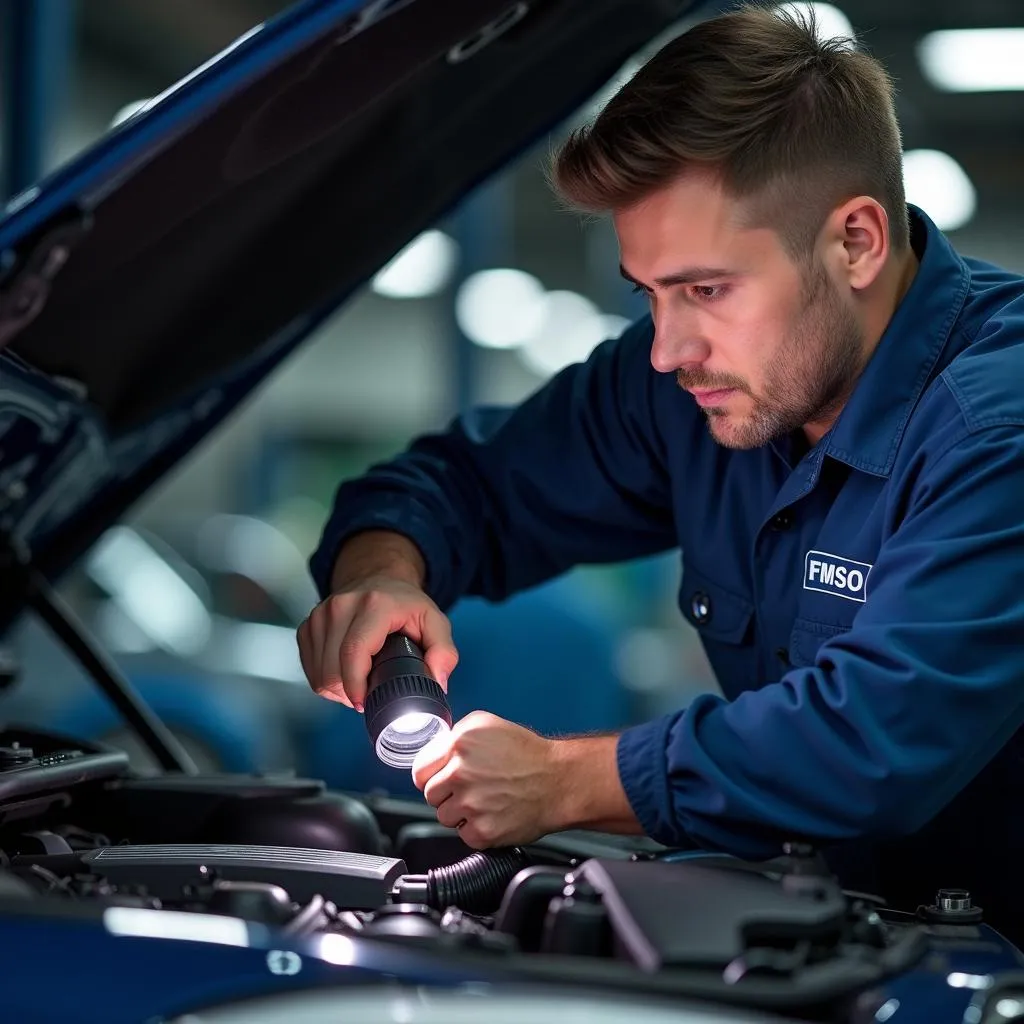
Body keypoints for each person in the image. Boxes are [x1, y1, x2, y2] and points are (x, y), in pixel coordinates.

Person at [297, 4, 1024, 935]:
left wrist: (568, 781)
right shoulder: (693, 382)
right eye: (649, 294)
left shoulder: (994, 426)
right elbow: (464, 484)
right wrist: (380, 574)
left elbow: (878, 741)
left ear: (856, 242)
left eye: (705, 289)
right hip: (840, 937)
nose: (665, 350)